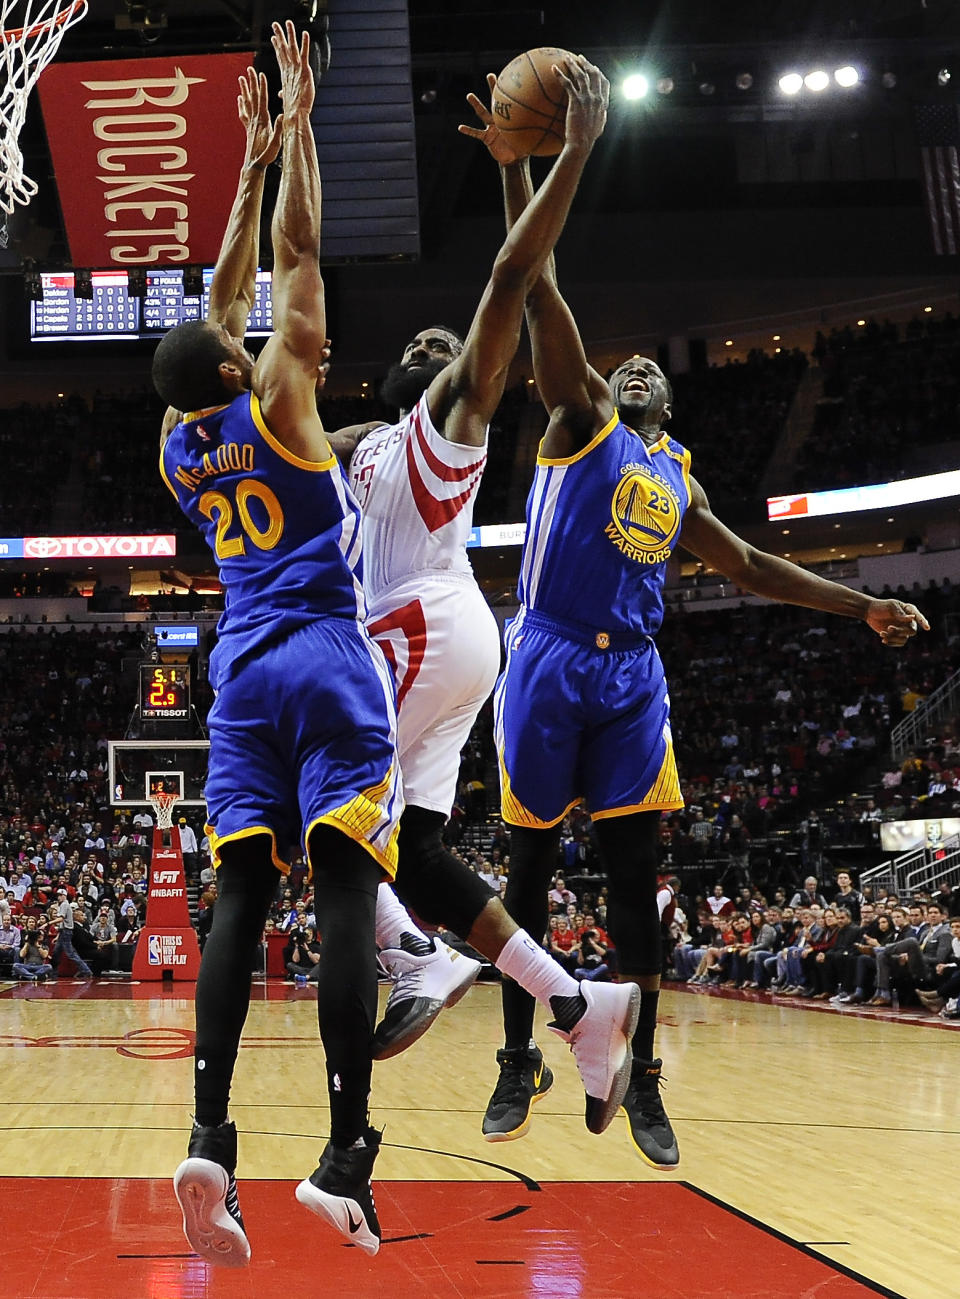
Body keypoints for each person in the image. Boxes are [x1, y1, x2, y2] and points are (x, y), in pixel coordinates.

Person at [462, 93, 929, 1171]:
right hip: (547, 653)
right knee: (528, 875)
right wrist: (513, 168)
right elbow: (537, 289)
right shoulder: (580, 424)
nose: (630, 371)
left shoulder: (679, 480)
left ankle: (647, 1075)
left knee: (636, 884)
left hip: (632, 676)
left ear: (670, 397)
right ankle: (517, 1054)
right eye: (618, 368)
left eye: (648, 371)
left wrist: (859, 604)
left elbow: (753, 566)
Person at [153, 27, 402, 1264]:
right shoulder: (287, 397)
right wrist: (297, 128)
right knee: (346, 888)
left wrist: (242, 168)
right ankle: (346, 1156)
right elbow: (294, 261)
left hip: (237, 670)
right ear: (240, 364)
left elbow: (214, 300)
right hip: (322, 651)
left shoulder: (182, 442)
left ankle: (209, 1135)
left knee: (236, 899)